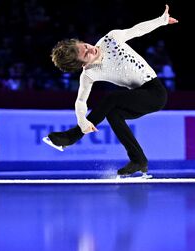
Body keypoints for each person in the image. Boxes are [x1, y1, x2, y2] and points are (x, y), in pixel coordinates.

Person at [44, 5, 178, 177]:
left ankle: (72, 137)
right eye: (86, 55)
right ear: (82, 64)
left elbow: (136, 30)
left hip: (155, 93)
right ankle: (139, 160)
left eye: (85, 45)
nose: (90, 49)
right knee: (113, 114)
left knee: (112, 99)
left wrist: (162, 21)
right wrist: (81, 119)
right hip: (139, 96)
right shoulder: (88, 74)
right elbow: (80, 101)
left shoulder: (111, 39)